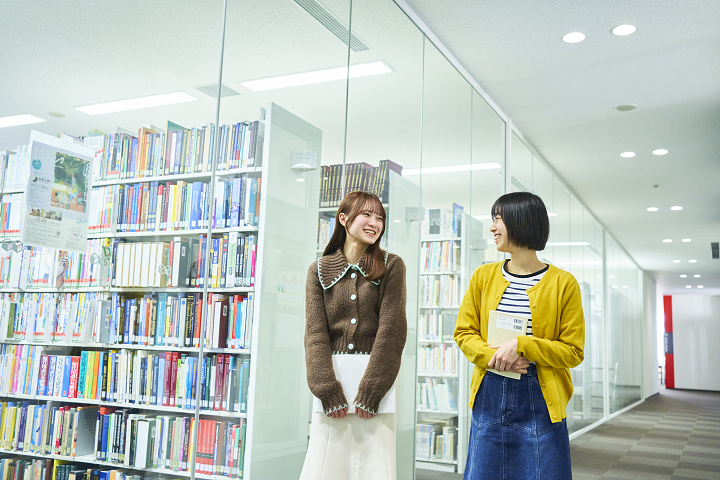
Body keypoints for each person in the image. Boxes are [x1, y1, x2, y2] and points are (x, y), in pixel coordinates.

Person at [455, 192, 584, 479]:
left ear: (521, 220)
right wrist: (495, 356)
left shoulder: (564, 283)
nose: (492, 227)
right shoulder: (483, 276)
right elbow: (464, 332)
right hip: (490, 393)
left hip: (540, 397)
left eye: (498, 219)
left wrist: (522, 345)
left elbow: (573, 351)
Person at [301, 191, 407, 480]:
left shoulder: (392, 265)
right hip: (331, 383)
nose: (375, 223)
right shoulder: (318, 270)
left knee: (375, 466)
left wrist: (373, 388)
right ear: (343, 219)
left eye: (380, 218)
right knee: (325, 468)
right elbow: (315, 333)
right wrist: (325, 387)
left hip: (377, 384)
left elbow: (392, 331)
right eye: (367, 215)